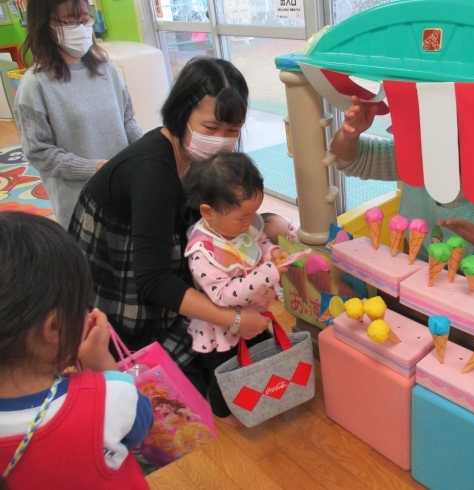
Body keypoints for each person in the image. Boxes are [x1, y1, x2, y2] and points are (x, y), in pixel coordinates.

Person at [68, 57, 270, 396]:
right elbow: (151, 281)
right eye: (211, 128)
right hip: (118, 287)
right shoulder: (152, 172)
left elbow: (219, 214)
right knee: (179, 381)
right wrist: (234, 319)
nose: (222, 140)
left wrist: (267, 224)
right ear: (181, 114)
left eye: (232, 131)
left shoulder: (198, 161)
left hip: (158, 267)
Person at [330, 96, 474, 306]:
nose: (431, 159)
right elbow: (350, 159)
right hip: (434, 291)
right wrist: (349, 135)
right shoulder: (415, 155)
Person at [0, 212, 152, 490]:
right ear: (54, 329)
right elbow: (140, 425)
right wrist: (100, 361)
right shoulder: (108, 397)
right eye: (82, 304)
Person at [14, 0, 142, 228]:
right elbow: (40, 152)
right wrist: (94, 167)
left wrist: (146, 149)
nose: (81, 27)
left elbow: (127, 121)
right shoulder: (35, 85)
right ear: (45, 24)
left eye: (84, 19)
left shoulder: (106, 70)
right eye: (70, 21)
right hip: (80, 203)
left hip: (122, 190)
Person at [183, 152, 289, 425]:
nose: (249, 222)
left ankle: (261, 392)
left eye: (254, 212)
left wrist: (272, 252)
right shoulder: (202, 251)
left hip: (253, 311)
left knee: (262, 352)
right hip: (220, 327)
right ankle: (223, 412)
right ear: (208, 212)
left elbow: (260, 242)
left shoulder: (244, 223)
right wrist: (268, 273)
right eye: (242, 217)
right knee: (225, 372)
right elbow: (223, 295)